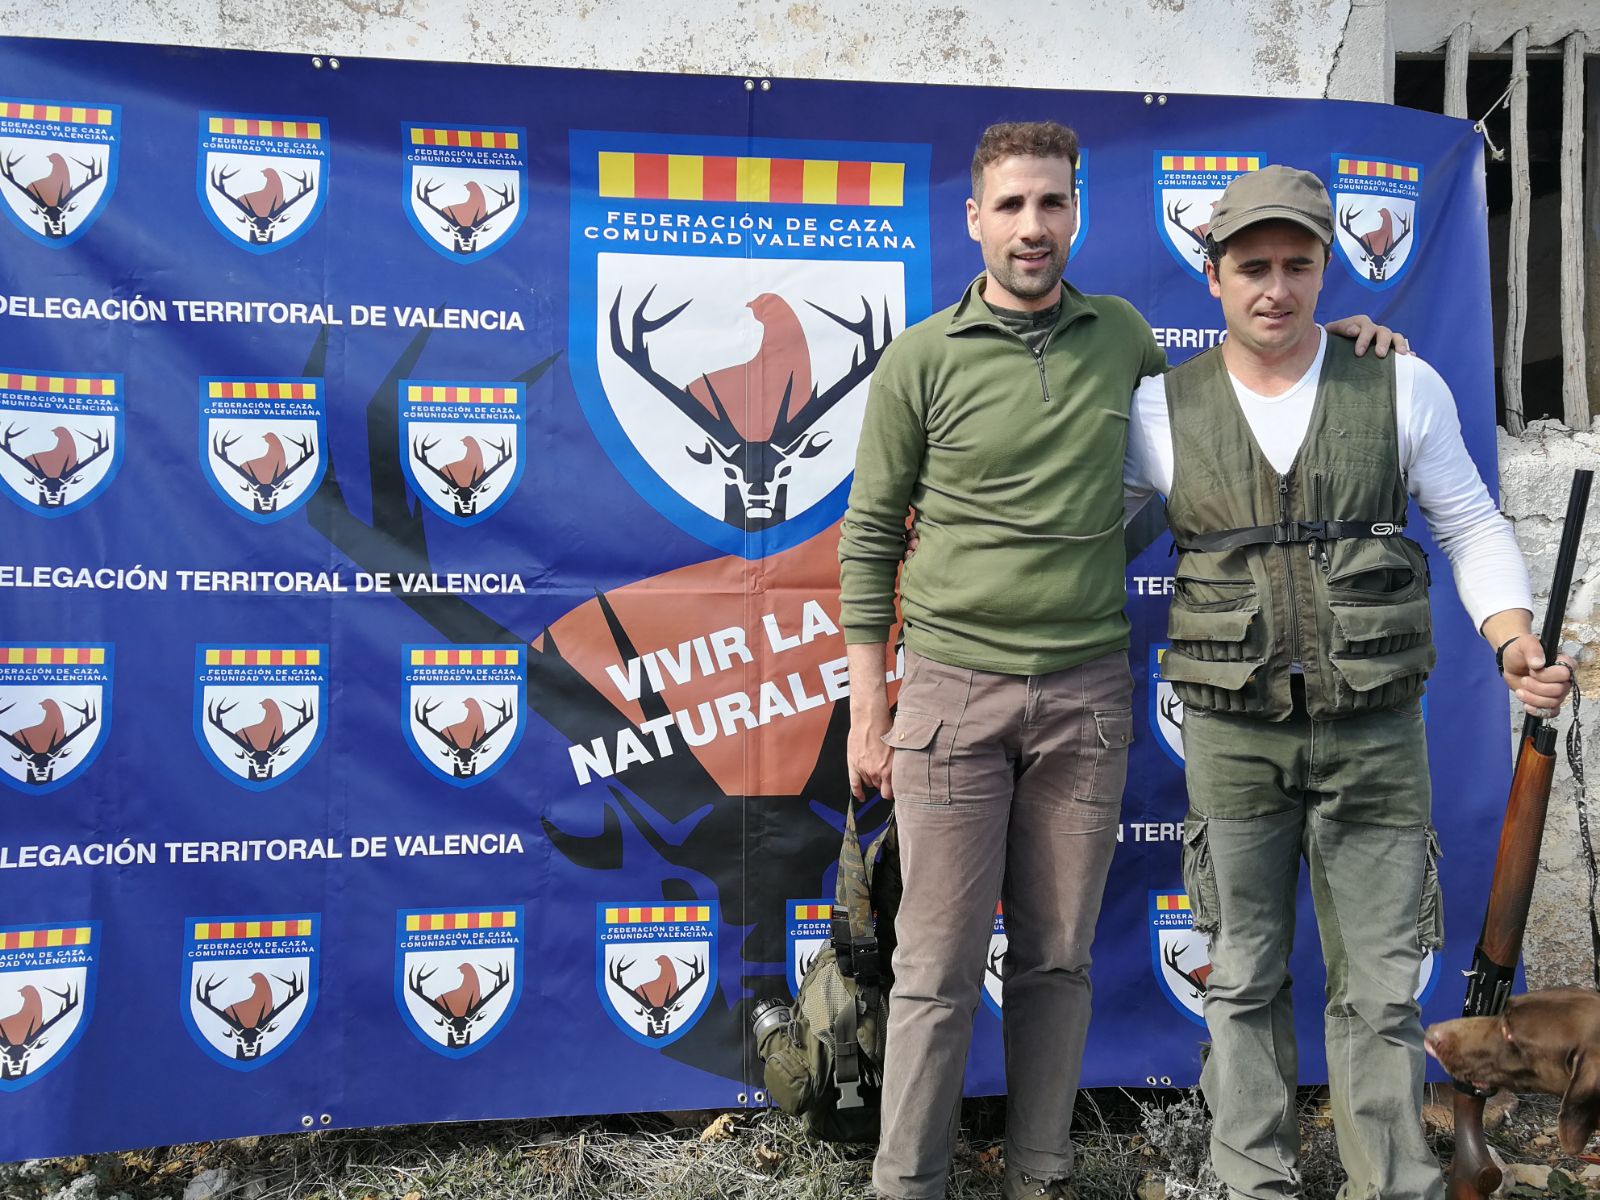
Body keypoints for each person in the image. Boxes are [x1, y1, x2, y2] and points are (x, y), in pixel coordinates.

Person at [838, 122, 1396, 1200]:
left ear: (1076, 212)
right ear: (974, 218)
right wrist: (870, 709)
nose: (1032, 226)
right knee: (935, 966)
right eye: (1011, 205)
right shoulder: (920, 357)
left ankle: (1039, 1175)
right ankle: (907, 1183)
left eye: (1051, 203)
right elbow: (867, 538)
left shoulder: (1124, 336)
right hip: (949, 696)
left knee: (1056, 958)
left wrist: (1332, 346)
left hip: (1085, 696)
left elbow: (1219, 417)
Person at [1122, 164, 1577, 1200]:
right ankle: (1254, 1182)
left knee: (1381, 987)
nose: (1275, 288)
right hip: (1233, 735)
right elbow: (1083, 537)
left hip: (1375, 731)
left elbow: (1469, 522)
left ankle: (1394, 1184)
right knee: (1241, 978)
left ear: (1327, 268)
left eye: (1297, 264)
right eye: (1252, 267)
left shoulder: (1401, 384)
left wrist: (1512, 637)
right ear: (1213, 276)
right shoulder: (1158, 408)